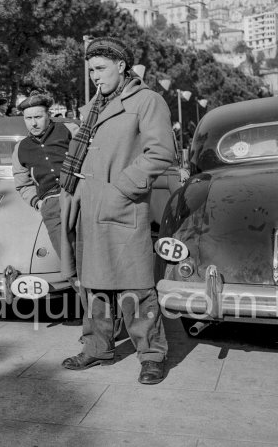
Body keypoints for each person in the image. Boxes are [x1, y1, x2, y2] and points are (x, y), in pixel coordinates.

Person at [58, 36, 174, 384]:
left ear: (121, 66)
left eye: (100, 68)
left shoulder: (148, 101)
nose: (94, 75)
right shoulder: (91, 107)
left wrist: (120, 190)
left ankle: (152, 355)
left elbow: (160, 153)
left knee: (135, 285)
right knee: (94, 284)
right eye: (91, 69)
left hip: (122, 206)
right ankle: (97, 348)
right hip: (88, 206)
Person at [12, 90, 78, 257]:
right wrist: (39, 203)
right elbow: (22, 184)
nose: (33, 123)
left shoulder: (69, 130)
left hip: (79, 197)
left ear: (49, 115)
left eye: (38, 117)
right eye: (28, 118)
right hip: (51, 206)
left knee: (90, 253)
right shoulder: (21, 148)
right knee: (67, 257)